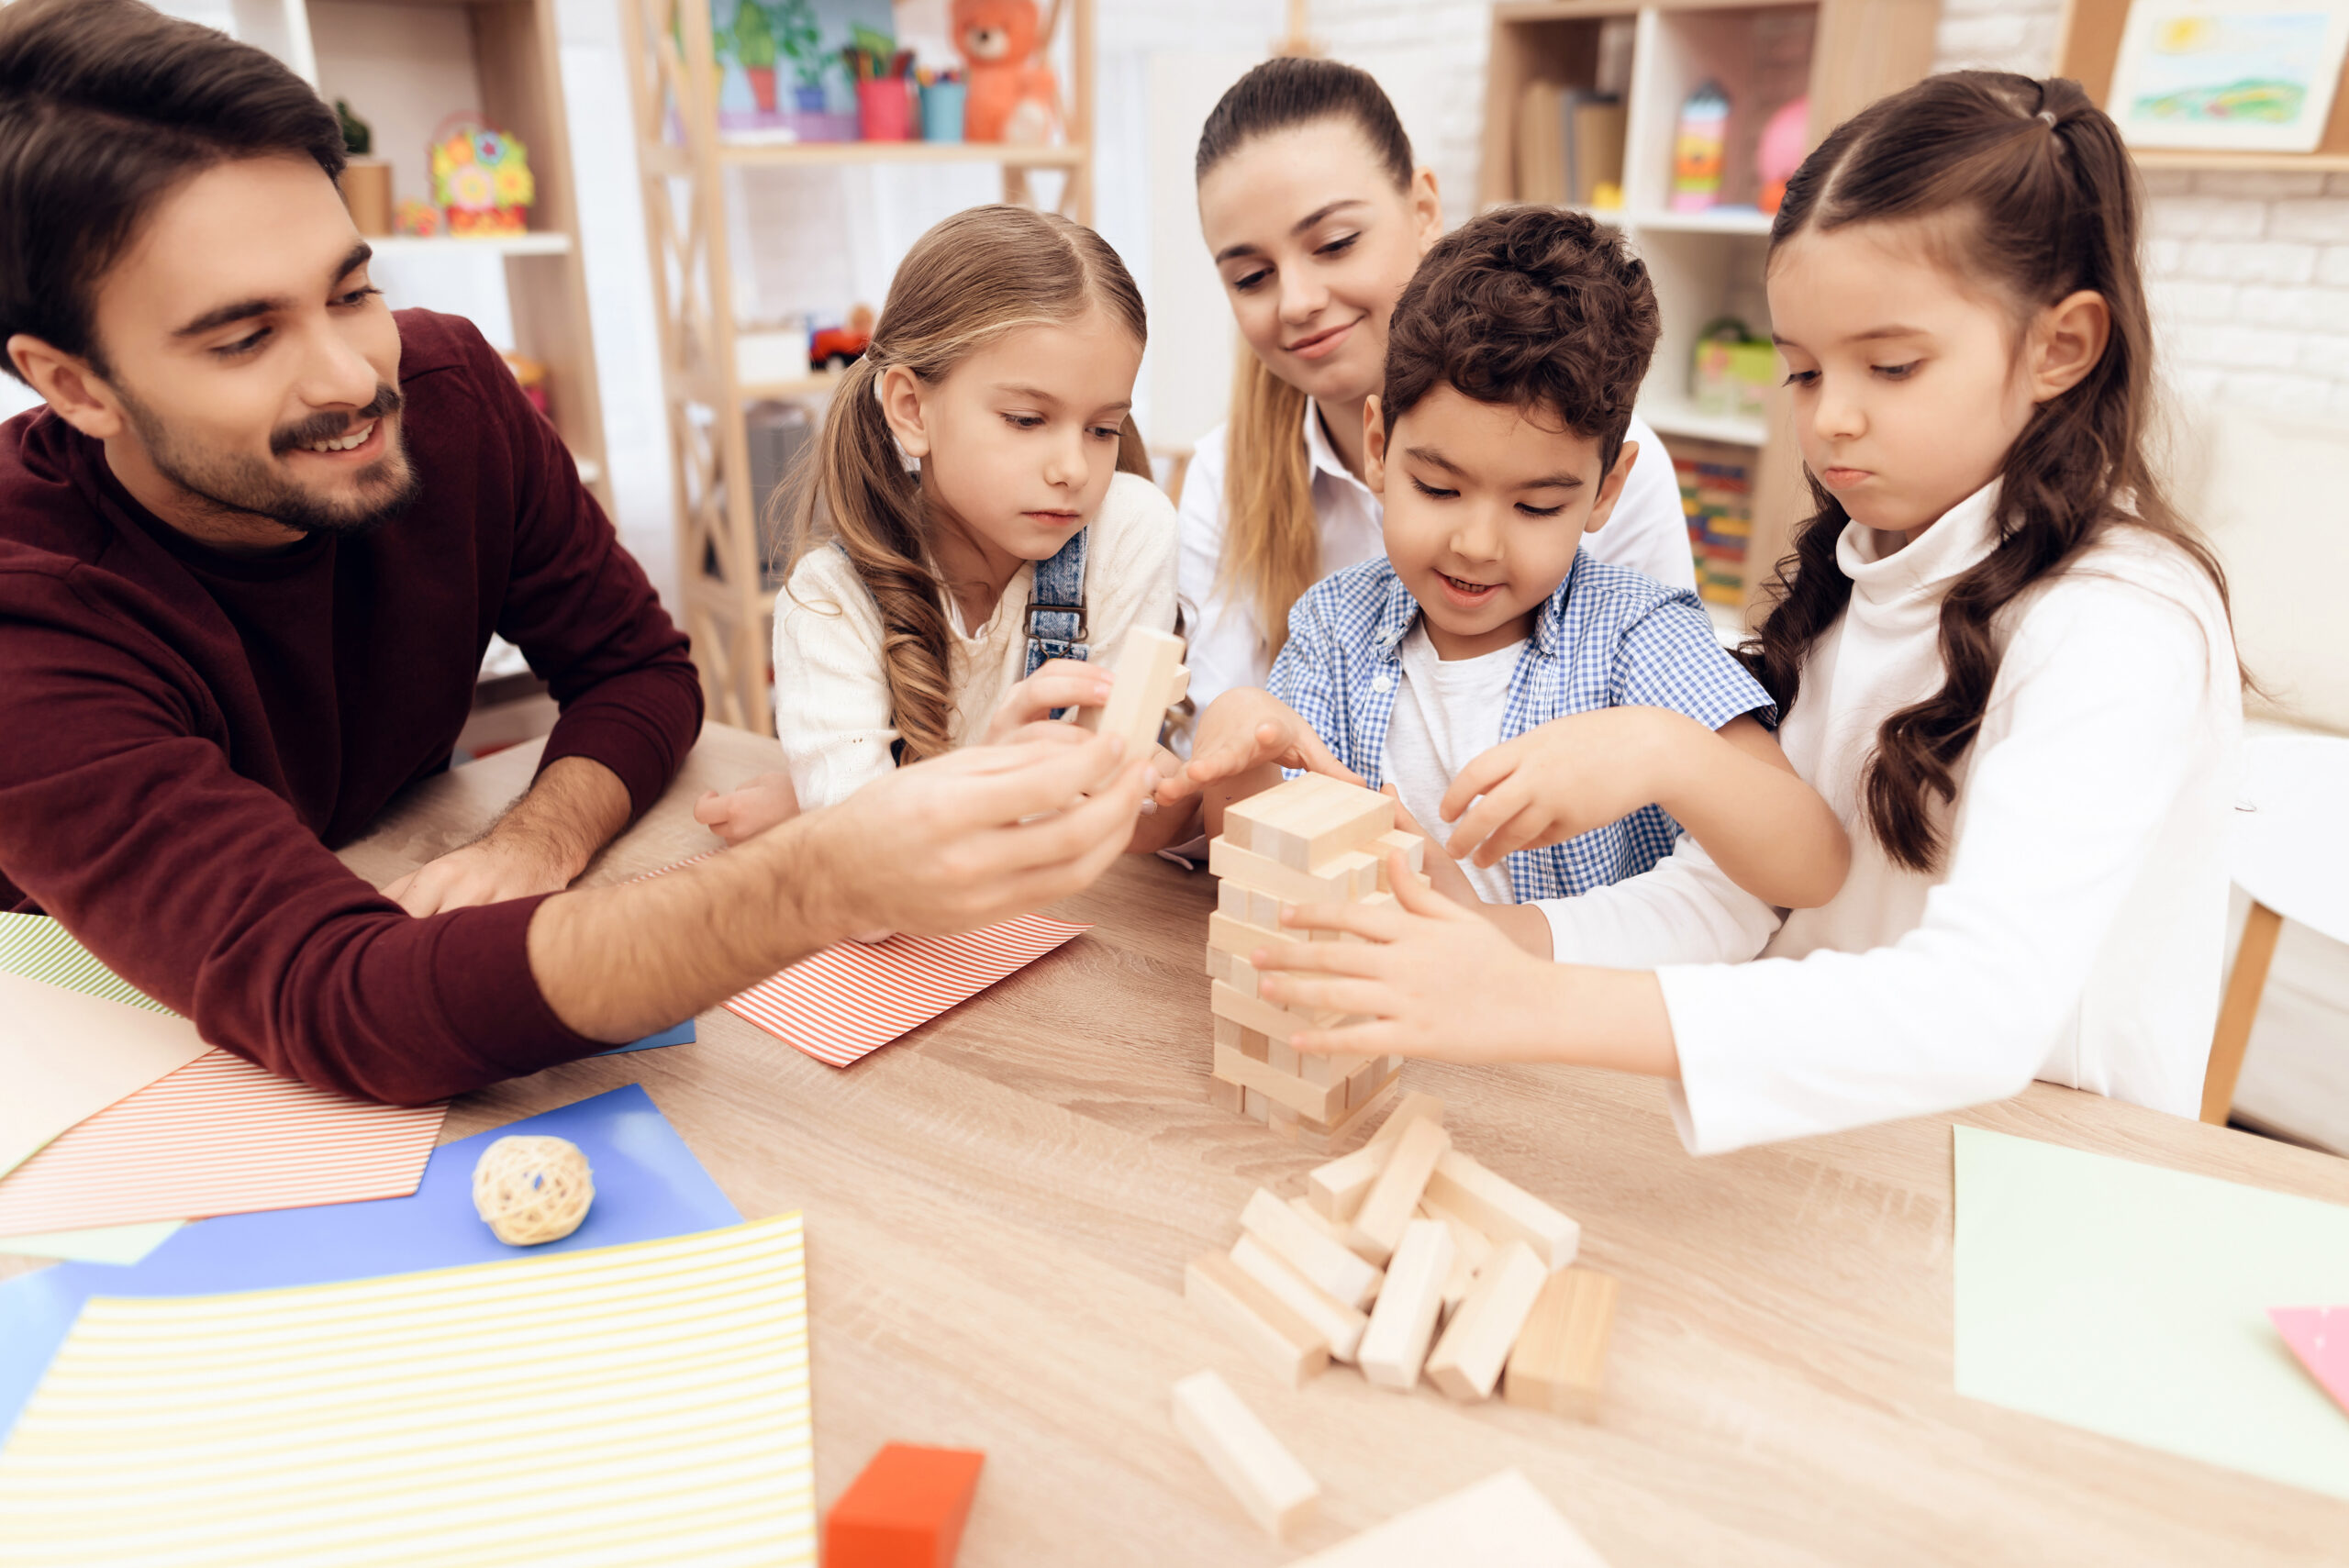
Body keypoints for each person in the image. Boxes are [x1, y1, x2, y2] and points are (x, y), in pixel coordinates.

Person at [0, 0, 1144, 1105]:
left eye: (354, 292)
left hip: (378, 885)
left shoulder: (446, 391)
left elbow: (637, 667)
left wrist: (540, 838)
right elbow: (340, 994)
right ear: (72, 383)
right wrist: (821, 875)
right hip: (95, 1024)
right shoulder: (30, 607)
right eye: (247, 336)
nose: (354, 376)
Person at [1248, 72, 2243, 1156]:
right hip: (1828, 1134)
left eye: (1891, 365)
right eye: (1804, 372)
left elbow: (1979, 1009)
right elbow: (1740, 905)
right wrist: (1502, 948)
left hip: (2042, 1160)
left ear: (2061, 346)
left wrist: (1538, 999)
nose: (1833, 420)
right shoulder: (1867, 570)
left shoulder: (2123, 622)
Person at [1143, 206, 1846, 944]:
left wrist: (1661, 750)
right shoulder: (1332, 626)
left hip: (1567, 1043)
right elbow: (1255, 867)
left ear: (1606, 491)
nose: (1477, 544)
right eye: (1439, 490)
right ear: (1379, 447)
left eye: (1537, 505)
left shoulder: (1638, 634)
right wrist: (1236, 754)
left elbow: (1813, 864)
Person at [1178, 57, 1698, 728]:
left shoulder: (1599, 465)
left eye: (1335, 244)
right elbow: (1223, 751)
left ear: (1424, 208)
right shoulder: (1225, 479)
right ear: (1377, 447)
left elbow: (1675, 740)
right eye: (1251, 277)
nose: (1298, 303)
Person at [692, 206, 1178, 843]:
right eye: (1027, 420)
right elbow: (872, 887)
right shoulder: (828, 603)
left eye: (1102, 429)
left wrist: (853, 799)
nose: (1073, 469)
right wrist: (990, 778)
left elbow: (1096, 822)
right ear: (911, 409)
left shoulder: (1130, 531)